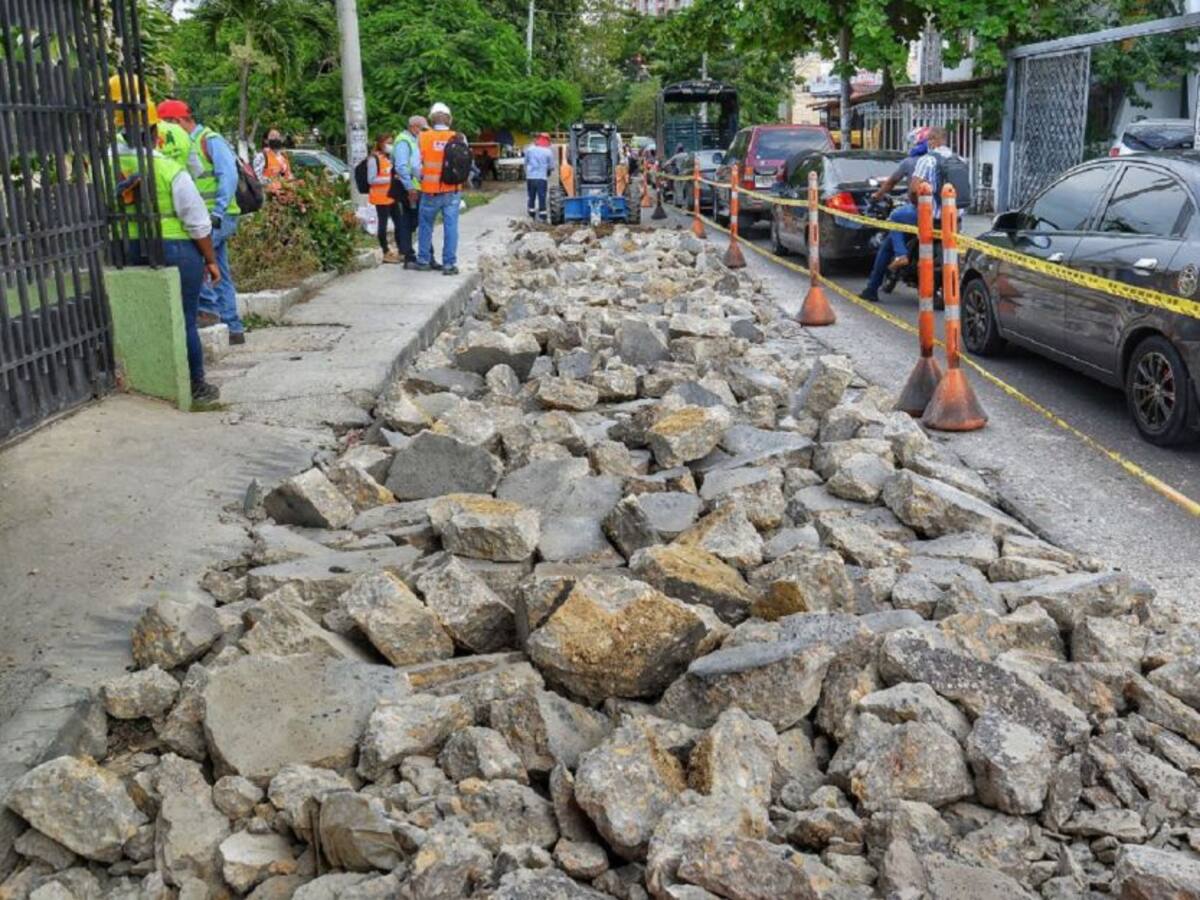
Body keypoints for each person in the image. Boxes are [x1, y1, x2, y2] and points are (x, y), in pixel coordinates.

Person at [108, 77, 221, 402]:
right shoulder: (169, 168)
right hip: (176, 249)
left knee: (136, 319)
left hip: (123, 249)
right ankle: (195, 385)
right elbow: (197, 223)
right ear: (156, 131)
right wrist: (211, 260)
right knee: (183, 320)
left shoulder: (103, 164)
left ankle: (144, 385)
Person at [158, 99, 246, 344]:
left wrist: (217, 212)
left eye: (166, 125)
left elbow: (228, 176)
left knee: (199, 264)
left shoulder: (209, 140)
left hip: (217, 217)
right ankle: (232, 328)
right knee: (219, 271)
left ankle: (210, 316)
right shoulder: (186, 143)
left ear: (177, 121)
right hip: (207, 218)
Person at [861, 126, 952, 303]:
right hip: (950, 217)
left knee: (892, 228)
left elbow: (894, 184)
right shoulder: (954, 159)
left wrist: (877, 196)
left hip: (925, 213)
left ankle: (876, 284)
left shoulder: (916, 161)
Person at [415, 102, 462, 276]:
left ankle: (423, 260)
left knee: (425, 226)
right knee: (451, 227)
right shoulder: (458, 137)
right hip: (453, 191)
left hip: (430, 191)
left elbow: (415, 165)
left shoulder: (423, 137)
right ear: (450, 119)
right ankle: (449, 265)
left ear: (431, 119)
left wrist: (422, 178)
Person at [392, 115, 430, 269]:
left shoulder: (413, 140)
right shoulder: (403, 141)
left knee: (414, 221)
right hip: (406, 188)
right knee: (408, 221)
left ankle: (412, 254)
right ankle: (408, 255)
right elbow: (401, 166)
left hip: (413, 186)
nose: (424, 132)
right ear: (414, 127)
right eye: (422, 129)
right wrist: (410, 188)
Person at [367, 133, 403, 263]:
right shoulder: (374, 159)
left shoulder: (389, 158)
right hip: (381, 197)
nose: (390, 145)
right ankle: (386, 251)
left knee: (399, 222)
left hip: (392, 195)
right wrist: (390, 179)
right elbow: (371, 180)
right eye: (388, 143)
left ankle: (401, 250)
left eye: (392, 143)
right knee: (383, 224)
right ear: (381, 144)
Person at [523, 132, 554, 221]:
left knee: (531, 196)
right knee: (542, 196)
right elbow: (551, 166)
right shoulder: (548, 151)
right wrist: (548, 170)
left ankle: (531, 213)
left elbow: (525, 162)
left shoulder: (529, 149)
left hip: (530, 177)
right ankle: (542, 215)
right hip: (541, 178)